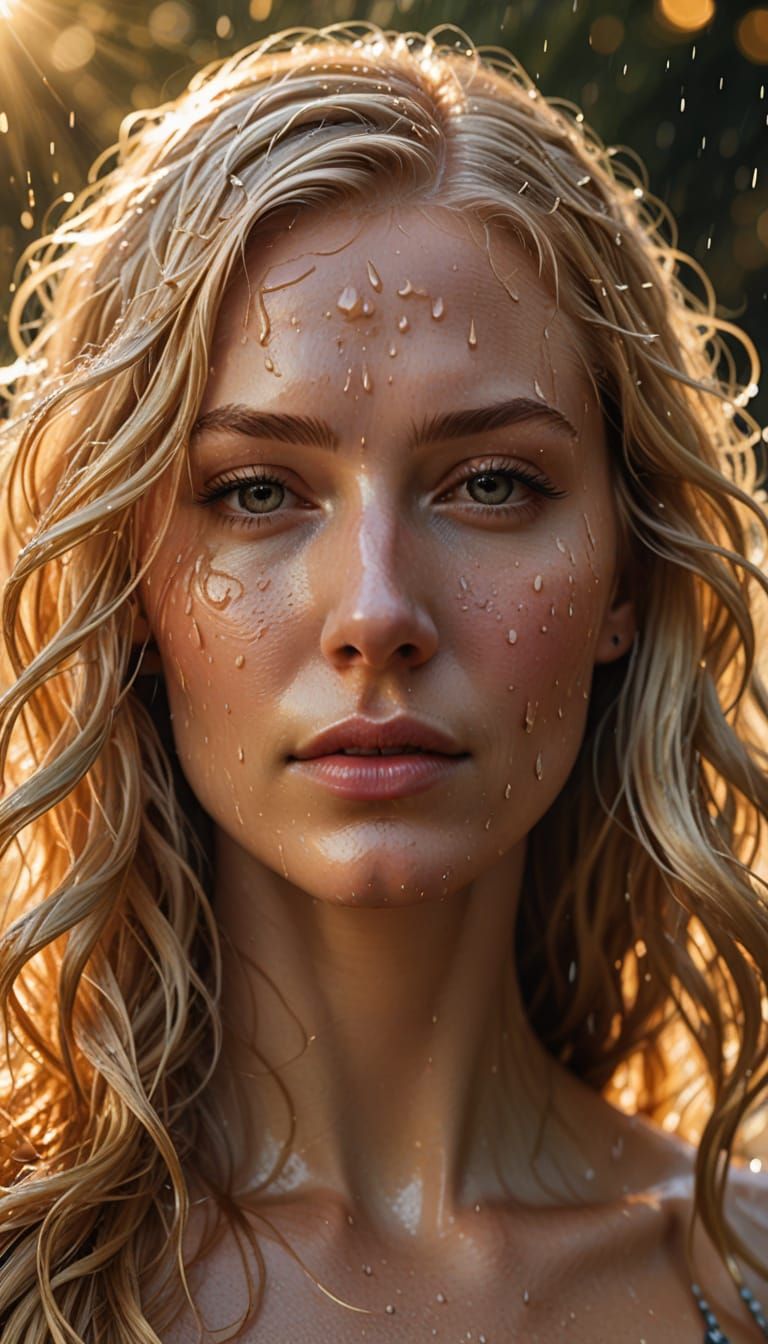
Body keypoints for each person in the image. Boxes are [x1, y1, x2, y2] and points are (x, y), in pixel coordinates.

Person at [0, 18, 767, 1343]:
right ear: (129, 578)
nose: (376, 613)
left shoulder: (746, 1277)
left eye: (490, 485)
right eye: (254, 491)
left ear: (626, 576)